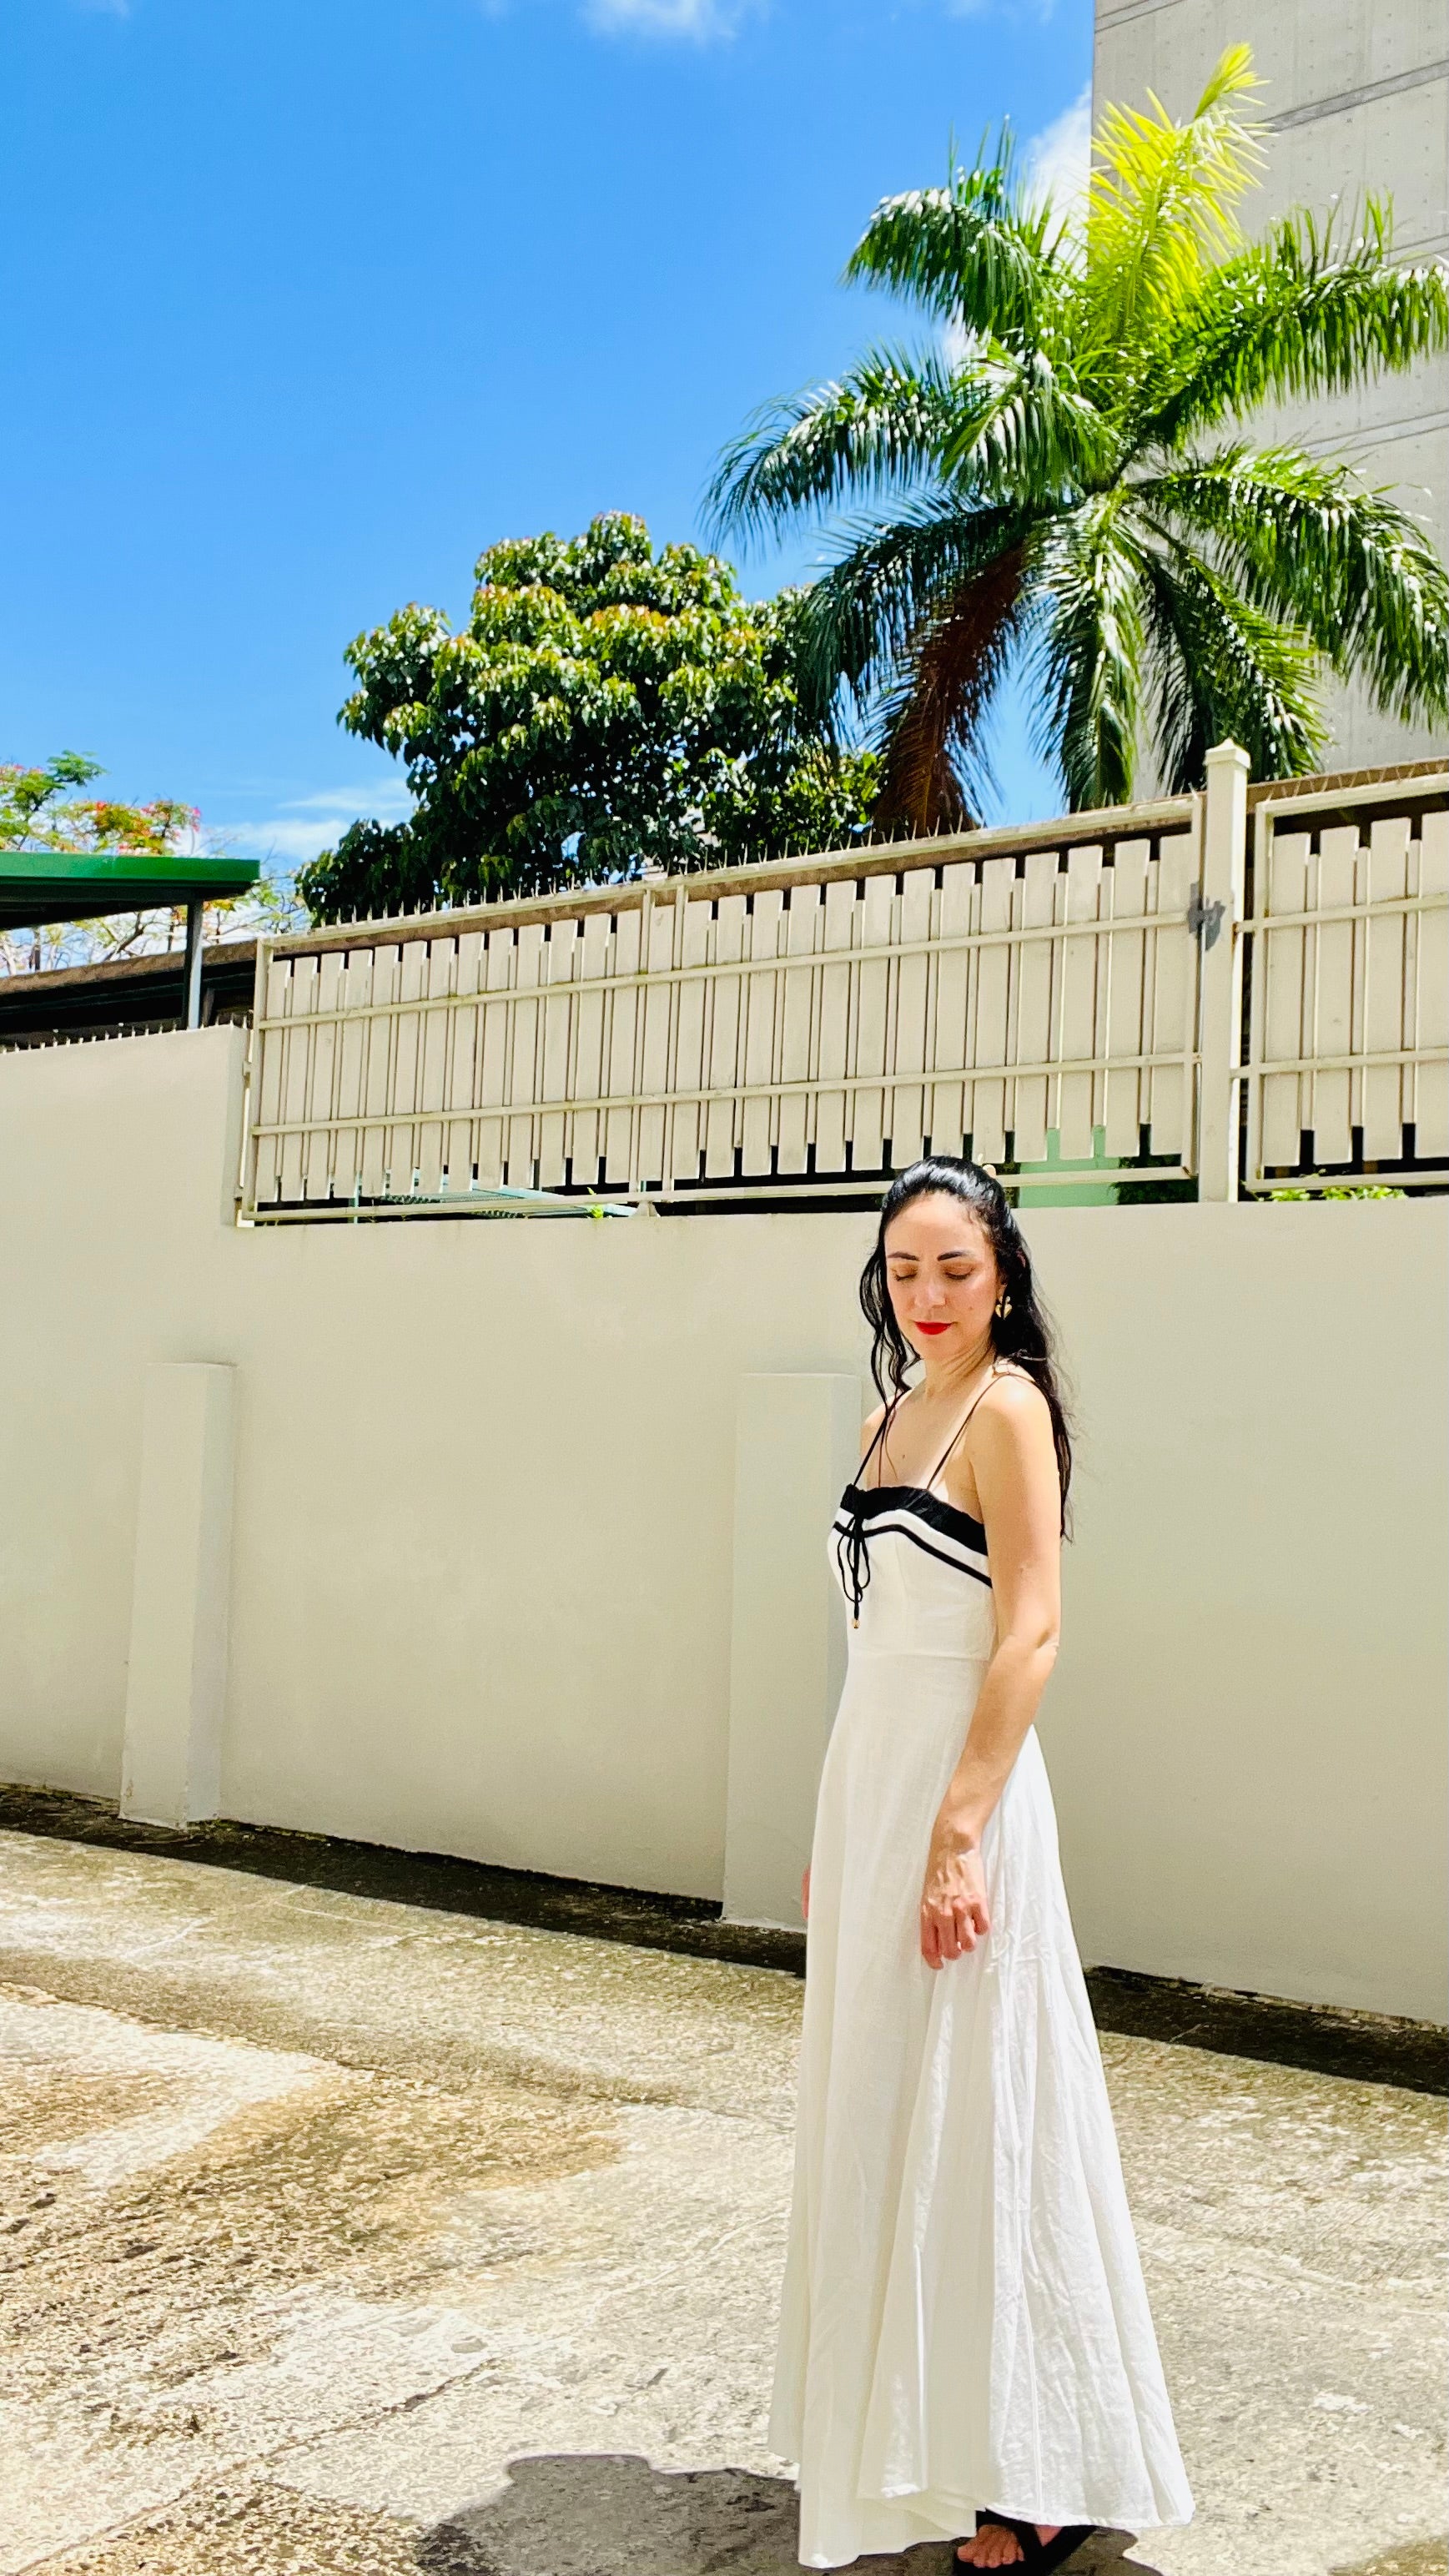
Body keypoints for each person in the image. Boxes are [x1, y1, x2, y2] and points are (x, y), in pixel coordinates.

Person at [770, 1158, 1193, 2572]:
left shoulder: (1007, 1410)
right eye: (904, 1270)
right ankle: (920, 2441)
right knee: (895, 2110)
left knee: (989, 2113)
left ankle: (1040, 2466)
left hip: (968, 1801)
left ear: (1001, 1271)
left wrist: (956, 1831)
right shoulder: (893, 1408)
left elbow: (1029, 1633)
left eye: (954, 1267)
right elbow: (877, 1642)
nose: (929, 1293)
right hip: (873, 1792)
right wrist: (850, 1829)